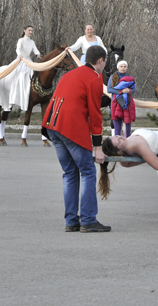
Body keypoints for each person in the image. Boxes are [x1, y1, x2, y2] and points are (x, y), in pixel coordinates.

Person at [42, 45, 110, 233]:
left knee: (69, 173)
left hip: (52, 126)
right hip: (70, 128)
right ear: (100, 61)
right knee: (88, 171)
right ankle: (88, 220)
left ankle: (71, 221)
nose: (104, 66)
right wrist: (98, 147)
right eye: (105, 62)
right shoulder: (95, 78)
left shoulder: (69, 74)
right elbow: (95, 114)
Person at [0, 25, 42, 141]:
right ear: (24, 31)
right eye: (29, 30)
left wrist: (38, 54)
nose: (31, 32)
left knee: (34, 74)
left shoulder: (32, 42)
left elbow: (35, 49)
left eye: (32, 30)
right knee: (19, 74)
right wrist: (19, 55)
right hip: (20, 60)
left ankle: (27, 93)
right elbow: (18, 49)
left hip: (28, 61)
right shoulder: (21, 40)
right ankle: (15, 90)